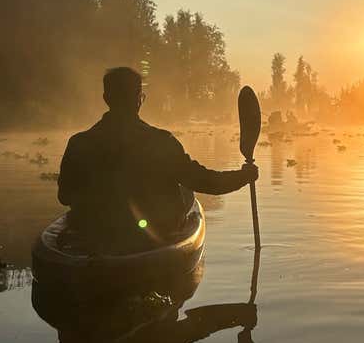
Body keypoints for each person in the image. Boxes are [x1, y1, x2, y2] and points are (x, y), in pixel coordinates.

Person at [58, 67, 258, 244]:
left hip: (95, 234)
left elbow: (64, 196)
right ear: (139, 98)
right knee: (186, 192)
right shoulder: (162, 142)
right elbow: (204, 181)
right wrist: (243, 177)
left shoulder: (78, 143)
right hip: (149, 236)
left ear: (106, 98)